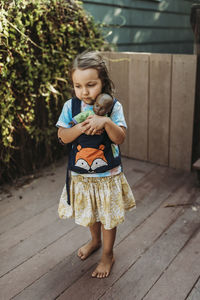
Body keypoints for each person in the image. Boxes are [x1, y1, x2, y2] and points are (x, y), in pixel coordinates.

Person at [56, 51, 136, 279]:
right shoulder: (71, 107)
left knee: (107, 217)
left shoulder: (113, 107)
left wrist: (106, 121)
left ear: (103, 82)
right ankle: (95, 240)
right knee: (91, 214)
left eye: (91, 85)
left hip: (107, 175)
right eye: (78, 85)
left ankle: (108, 254)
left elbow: (119, 138)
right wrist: (79, 128)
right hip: (81, 176)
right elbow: (62, 137)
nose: (84, 91)